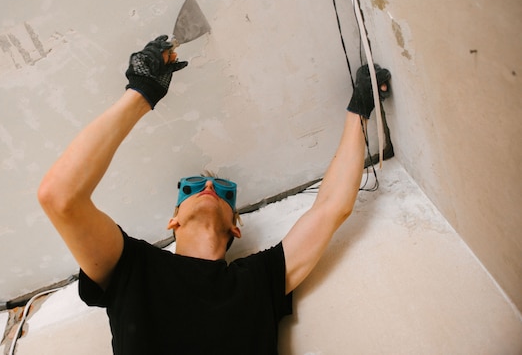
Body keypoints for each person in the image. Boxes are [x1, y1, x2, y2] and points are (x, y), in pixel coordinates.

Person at [37, 36, 390, 354]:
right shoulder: (132, 266)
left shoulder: (257, 280)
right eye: (190, 188)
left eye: (223, 191)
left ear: (236, 227)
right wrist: (141, 92)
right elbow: (59, 197)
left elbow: (332, 208)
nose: (207, 187)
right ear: (172, 220)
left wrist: (359, 110)